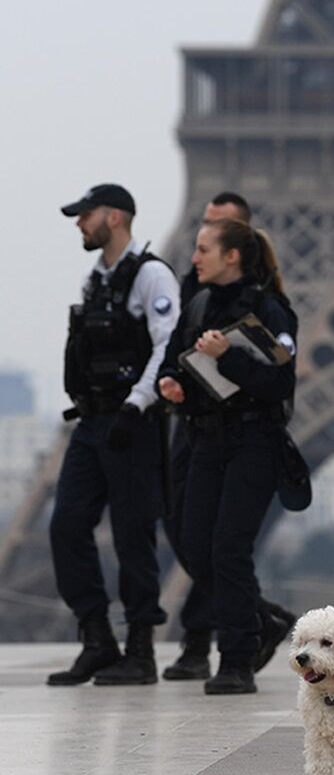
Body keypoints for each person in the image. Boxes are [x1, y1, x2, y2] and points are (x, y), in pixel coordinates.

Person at [161, 191, 297, 682]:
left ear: (231, 256)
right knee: (194, 544)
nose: (193, 258)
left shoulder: (270, 309)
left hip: (253, 443)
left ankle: (237, 658)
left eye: (203, 250)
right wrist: (171, 384)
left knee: (229, 548)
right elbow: (174, 357)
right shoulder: (196, 304)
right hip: (205, 440)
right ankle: (259, 619)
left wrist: (229, 357)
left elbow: (281, 382)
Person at [47, 183, 180, 686]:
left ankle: (141, 650)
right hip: (92, 420)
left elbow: (167, 346)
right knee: (66, 525)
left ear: (117, 217)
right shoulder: (95, 279)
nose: (80, 223)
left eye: (86, 214)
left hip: (132, 423)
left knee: (132, 535)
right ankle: (97, 637)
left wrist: (135, 405)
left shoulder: (151, 276)